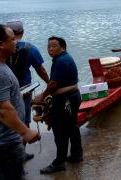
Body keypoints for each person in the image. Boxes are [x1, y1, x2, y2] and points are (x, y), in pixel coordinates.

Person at [0, 24, 41, 179]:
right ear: (0, 44)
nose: (16, 43)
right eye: (12, 40)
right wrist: (25, 132)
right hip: (4, 145)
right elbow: (2, 109)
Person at [35, 36, 83, 174]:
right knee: (72, 127)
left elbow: (53, 84)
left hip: (66, 100)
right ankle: (76, 155)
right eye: (49, 46)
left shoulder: (61, 61)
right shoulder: (64, 58)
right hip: (73, 96)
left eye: (54, 46)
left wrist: (42, 96)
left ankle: (59, 163)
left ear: (63, 47)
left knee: (60, 130)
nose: (50, 49)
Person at [5, 20, 49, 162]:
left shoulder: (0, 48)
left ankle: (8, 154)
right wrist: (50, 84)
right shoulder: (31, 48)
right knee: (23, 121)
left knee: (6, 120)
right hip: (25, 91)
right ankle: (21, 154)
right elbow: (40, 69)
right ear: (22, 32)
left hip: (3, 92)